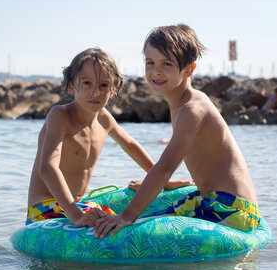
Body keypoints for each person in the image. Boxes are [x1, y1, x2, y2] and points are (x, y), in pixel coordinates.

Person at [94, 24, 260, 238]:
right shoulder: (181, 104)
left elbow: (165, 167)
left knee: (141, 227)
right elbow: (172, 166)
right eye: (150, 62)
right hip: (217, 201)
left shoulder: (192, 108)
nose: (156, 71)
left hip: (232, 209)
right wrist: (165, 184)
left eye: (167, 63)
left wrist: (126, 216)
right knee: (152, 217)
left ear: (189, 69)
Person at [27, 47, 191, 227]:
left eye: (104, 85)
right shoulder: (60, 116)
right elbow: (48, 167)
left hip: (78, 206)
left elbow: (130, 146)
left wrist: (161, 182)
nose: (96, 92)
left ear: (113, 90)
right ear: (71, 86)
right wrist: (76, 215)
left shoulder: (103, 119)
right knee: (112, 223)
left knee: (138, 217)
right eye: (87, 83)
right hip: (44, 210)